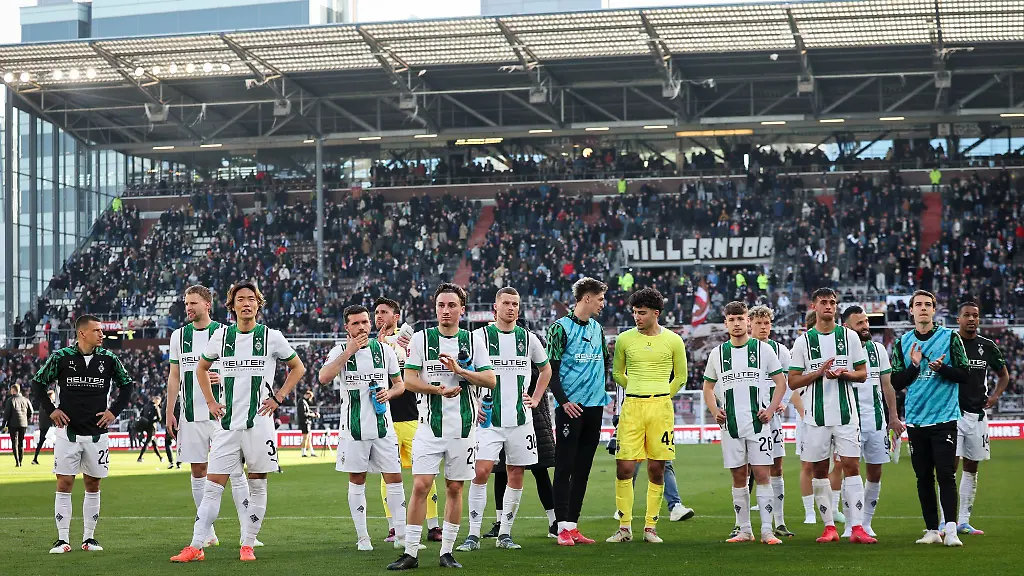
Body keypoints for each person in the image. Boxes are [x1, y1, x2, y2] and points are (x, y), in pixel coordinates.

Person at [171, 280, 306, 563]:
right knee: (213, 486)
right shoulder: (221, 337)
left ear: (258, 304)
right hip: (227, 424)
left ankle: (248, 544)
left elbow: (298, 367)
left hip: (259, 424)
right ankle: (196, 545)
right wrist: (210, 402)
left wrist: (279, 397)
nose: (247, 303)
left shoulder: (271, 337)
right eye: (240, 299)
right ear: (232, 306)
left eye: (251, 299)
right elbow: (201, 368)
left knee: (257, 484)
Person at [387, 283, 495, 570]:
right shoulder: (422, 339)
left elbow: (490, 380)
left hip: (463, 429)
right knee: (421, 486)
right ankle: (410, 552)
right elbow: (409, 380)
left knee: (455, 488)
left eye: (451, 305)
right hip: (428, 427)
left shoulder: (474, 341)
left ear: (462, 309)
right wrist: (437, 390)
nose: (445, 310)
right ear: (435, 309)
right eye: (441, 305)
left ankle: (447, 551)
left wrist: (461, 371)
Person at [165, 285, 259, 550]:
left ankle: (247, 534)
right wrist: (170, 411)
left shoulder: (225, 333)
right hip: (191, 415)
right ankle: (207, 533)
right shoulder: (178, 336)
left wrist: (221, 375)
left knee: (235, 472)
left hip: (223, 414)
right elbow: (174, 376)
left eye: (193, 303)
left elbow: (241, 369)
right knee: (198, 471)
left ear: (207, 305)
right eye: (186, 303)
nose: (188, 307)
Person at [31, 314, 135, 554]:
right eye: (97, 330)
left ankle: (89, 538)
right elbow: (38, 383)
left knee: (93, 483)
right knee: (64, 482)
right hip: (67, 432)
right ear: (82, 333)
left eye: (102, 330)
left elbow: (127, 385)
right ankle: (62, 539)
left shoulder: (109, 358)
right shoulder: (61, 357)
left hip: (97, 433)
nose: (102, 334)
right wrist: (51, 410)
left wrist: (113, 412)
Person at [458, 287, 551, 552]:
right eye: (507, 303)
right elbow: (463, 372)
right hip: (488, 419)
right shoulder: (479, 337)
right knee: (481, 471)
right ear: (495, 307)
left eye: (515, 304)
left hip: (521, 420)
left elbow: (546, 370)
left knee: (516, 472)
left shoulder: (528, 338)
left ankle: (505, 534)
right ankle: (473, 534)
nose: (511, 308)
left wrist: (535, 398)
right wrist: (475, 402)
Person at [789, 287, 875, 544]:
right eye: (824, 302)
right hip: (815, 417)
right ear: (814, 306)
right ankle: (829, 527)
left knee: (851, 466)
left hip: (846, 414)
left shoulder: (850, 337)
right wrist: (818, 373)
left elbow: (863, 374)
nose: (829, 306)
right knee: (819, 469)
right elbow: (793, 381)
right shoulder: (803, 342)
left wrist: (844, 374)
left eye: (832, 302)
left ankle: (857, 527)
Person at [319, 305, 407, 552]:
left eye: (365, 322)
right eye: (355, 323)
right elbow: (323, 377)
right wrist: (349, 351)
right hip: (353, 429)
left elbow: (400, 384)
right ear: (346, 327)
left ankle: (401, 536)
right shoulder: (339, 351)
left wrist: (390, 393)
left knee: (395, 478)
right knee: (357, 480)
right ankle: (363, 537)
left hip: (383, 428)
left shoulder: (384, 351)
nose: (362, 327)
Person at [606, 287, 687, 544]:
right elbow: (617, 373)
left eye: (641, 313)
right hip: (632, 408)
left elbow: (681, 377)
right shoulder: (624, 339)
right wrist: (636, 389)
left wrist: (662, 394)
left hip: (660, 409)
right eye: (634, 312)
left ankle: (650, 527)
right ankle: (624, 527)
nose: (636, 317)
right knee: (624, 467)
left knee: (656, 468)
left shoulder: (673, 340)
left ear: (656, 313)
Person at [703, 301, 788, 545]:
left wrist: (770, 410)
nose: (737, 323)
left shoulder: (763, 350)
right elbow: (708, 387)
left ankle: (767, 531)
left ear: (747, 321)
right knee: (739, 477)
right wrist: (714, 410)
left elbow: (781, 383)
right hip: (730, 426)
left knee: (762, 475)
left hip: (758, 424)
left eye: (740, 318)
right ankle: (744, 529)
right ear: (725, 323)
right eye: (732, 319)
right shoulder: (718, 354)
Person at [890, 289, 970, 546]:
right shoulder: (903, 342)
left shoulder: (950, 337)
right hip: (916, 419)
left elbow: (965, 374)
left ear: (934, 310)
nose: (923, 308)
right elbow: (896, 381)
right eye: (918, 304)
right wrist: (915, 366)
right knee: (923, 477)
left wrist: (942, 368)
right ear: (911, 310)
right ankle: (932, 530)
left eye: (927, 304)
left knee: (946, 474)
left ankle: (951, 530)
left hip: (944, 418)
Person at [547, 277, 611, 547]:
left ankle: (572, 525)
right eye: (600, 299)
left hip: (594, 407)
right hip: (570, 409)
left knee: (583, 468)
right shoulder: (559, 329)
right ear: (587, 298)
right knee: (565, 466)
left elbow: (604, 361)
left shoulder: (597, 328)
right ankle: (560, 526)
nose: (602, 304)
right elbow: (550, 371)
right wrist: (563, 401)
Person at [374, 297, 442, 544]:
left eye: (384, 312)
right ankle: (394, 527)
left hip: (414, 417)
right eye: (376, 312)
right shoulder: (371, 347)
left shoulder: (411, 342)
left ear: (396, 317)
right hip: (386, 419)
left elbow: (424, 372)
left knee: (425, 472)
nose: (379, 316)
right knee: (388, 476)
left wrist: (407, 349)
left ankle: (433, 526)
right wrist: (380, 347)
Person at [841, 305, 904, 538]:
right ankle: (850, 524)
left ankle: (866, 522)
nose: (865, 326)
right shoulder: (841, 351)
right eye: (859, 323)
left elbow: (888, 386)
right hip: (849, 422)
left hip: (876, 422)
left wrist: (893, 417)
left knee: (875, 472)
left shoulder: (878, 349)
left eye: (866, 321)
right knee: (850, 472)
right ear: (846, 326)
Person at [951, 301, 1008, 535]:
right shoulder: (950, 342)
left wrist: (995, 396)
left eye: (975, 315)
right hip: (952, 414)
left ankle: (963, 521)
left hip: (977, 415)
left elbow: (1003, 375)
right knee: (949, 467)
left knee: (972, 466)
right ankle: (946, 521)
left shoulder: (987, 346)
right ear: (959, 319)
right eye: (967, 315)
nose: (972, 319)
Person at [749, 305, 802, 538]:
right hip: (748, 417)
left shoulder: (780, 350)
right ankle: (742, 524)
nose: (763, 327)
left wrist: (783, 402)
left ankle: (779, 522)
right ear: (750, 324)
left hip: (773, 417)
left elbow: (791, 379)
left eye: (767, 323)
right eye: (758, 323)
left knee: (776, 467)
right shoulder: (741, 349)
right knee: (745, 470)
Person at [3, 383, 33, 467]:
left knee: (14, 443)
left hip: (13, 424)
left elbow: (7, 414)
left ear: (13, 390)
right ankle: (20, 460)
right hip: (23, 424)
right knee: (21, 443)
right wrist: (25, 419)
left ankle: (17, 462)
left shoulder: (10, 400)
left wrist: (4, 425)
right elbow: (31, 411)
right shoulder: (26, 400)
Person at [136, 395, 164, 463]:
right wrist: (153, 421)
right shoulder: (155, 407)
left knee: (154, 442)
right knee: (148, 442)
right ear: (157, 401)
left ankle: (160, 457)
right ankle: (140, 457)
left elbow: (141, 415)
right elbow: (159, 418)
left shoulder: (146, 406)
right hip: (152, 427)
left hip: (145, 425)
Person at [31, 390, 55, 465]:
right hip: (50, 426)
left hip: (43, 425)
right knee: (57, 442)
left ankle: (35, 458)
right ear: (51, 396)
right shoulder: (51, 404)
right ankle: (57, 460)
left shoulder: (42, 404)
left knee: (41, 442)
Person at [298, 389, 320, 457]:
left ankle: (312, 452)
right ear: (307, 395)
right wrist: (313, 415)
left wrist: (314, 413)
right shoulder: (302, 402)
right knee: (305, 438)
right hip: (304, 422)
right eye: (309, 396)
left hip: (306, 422)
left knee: (309, 438)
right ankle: (303, 453)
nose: (310, 398)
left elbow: (307, 411)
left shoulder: (303, 401)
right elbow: (303, 413)